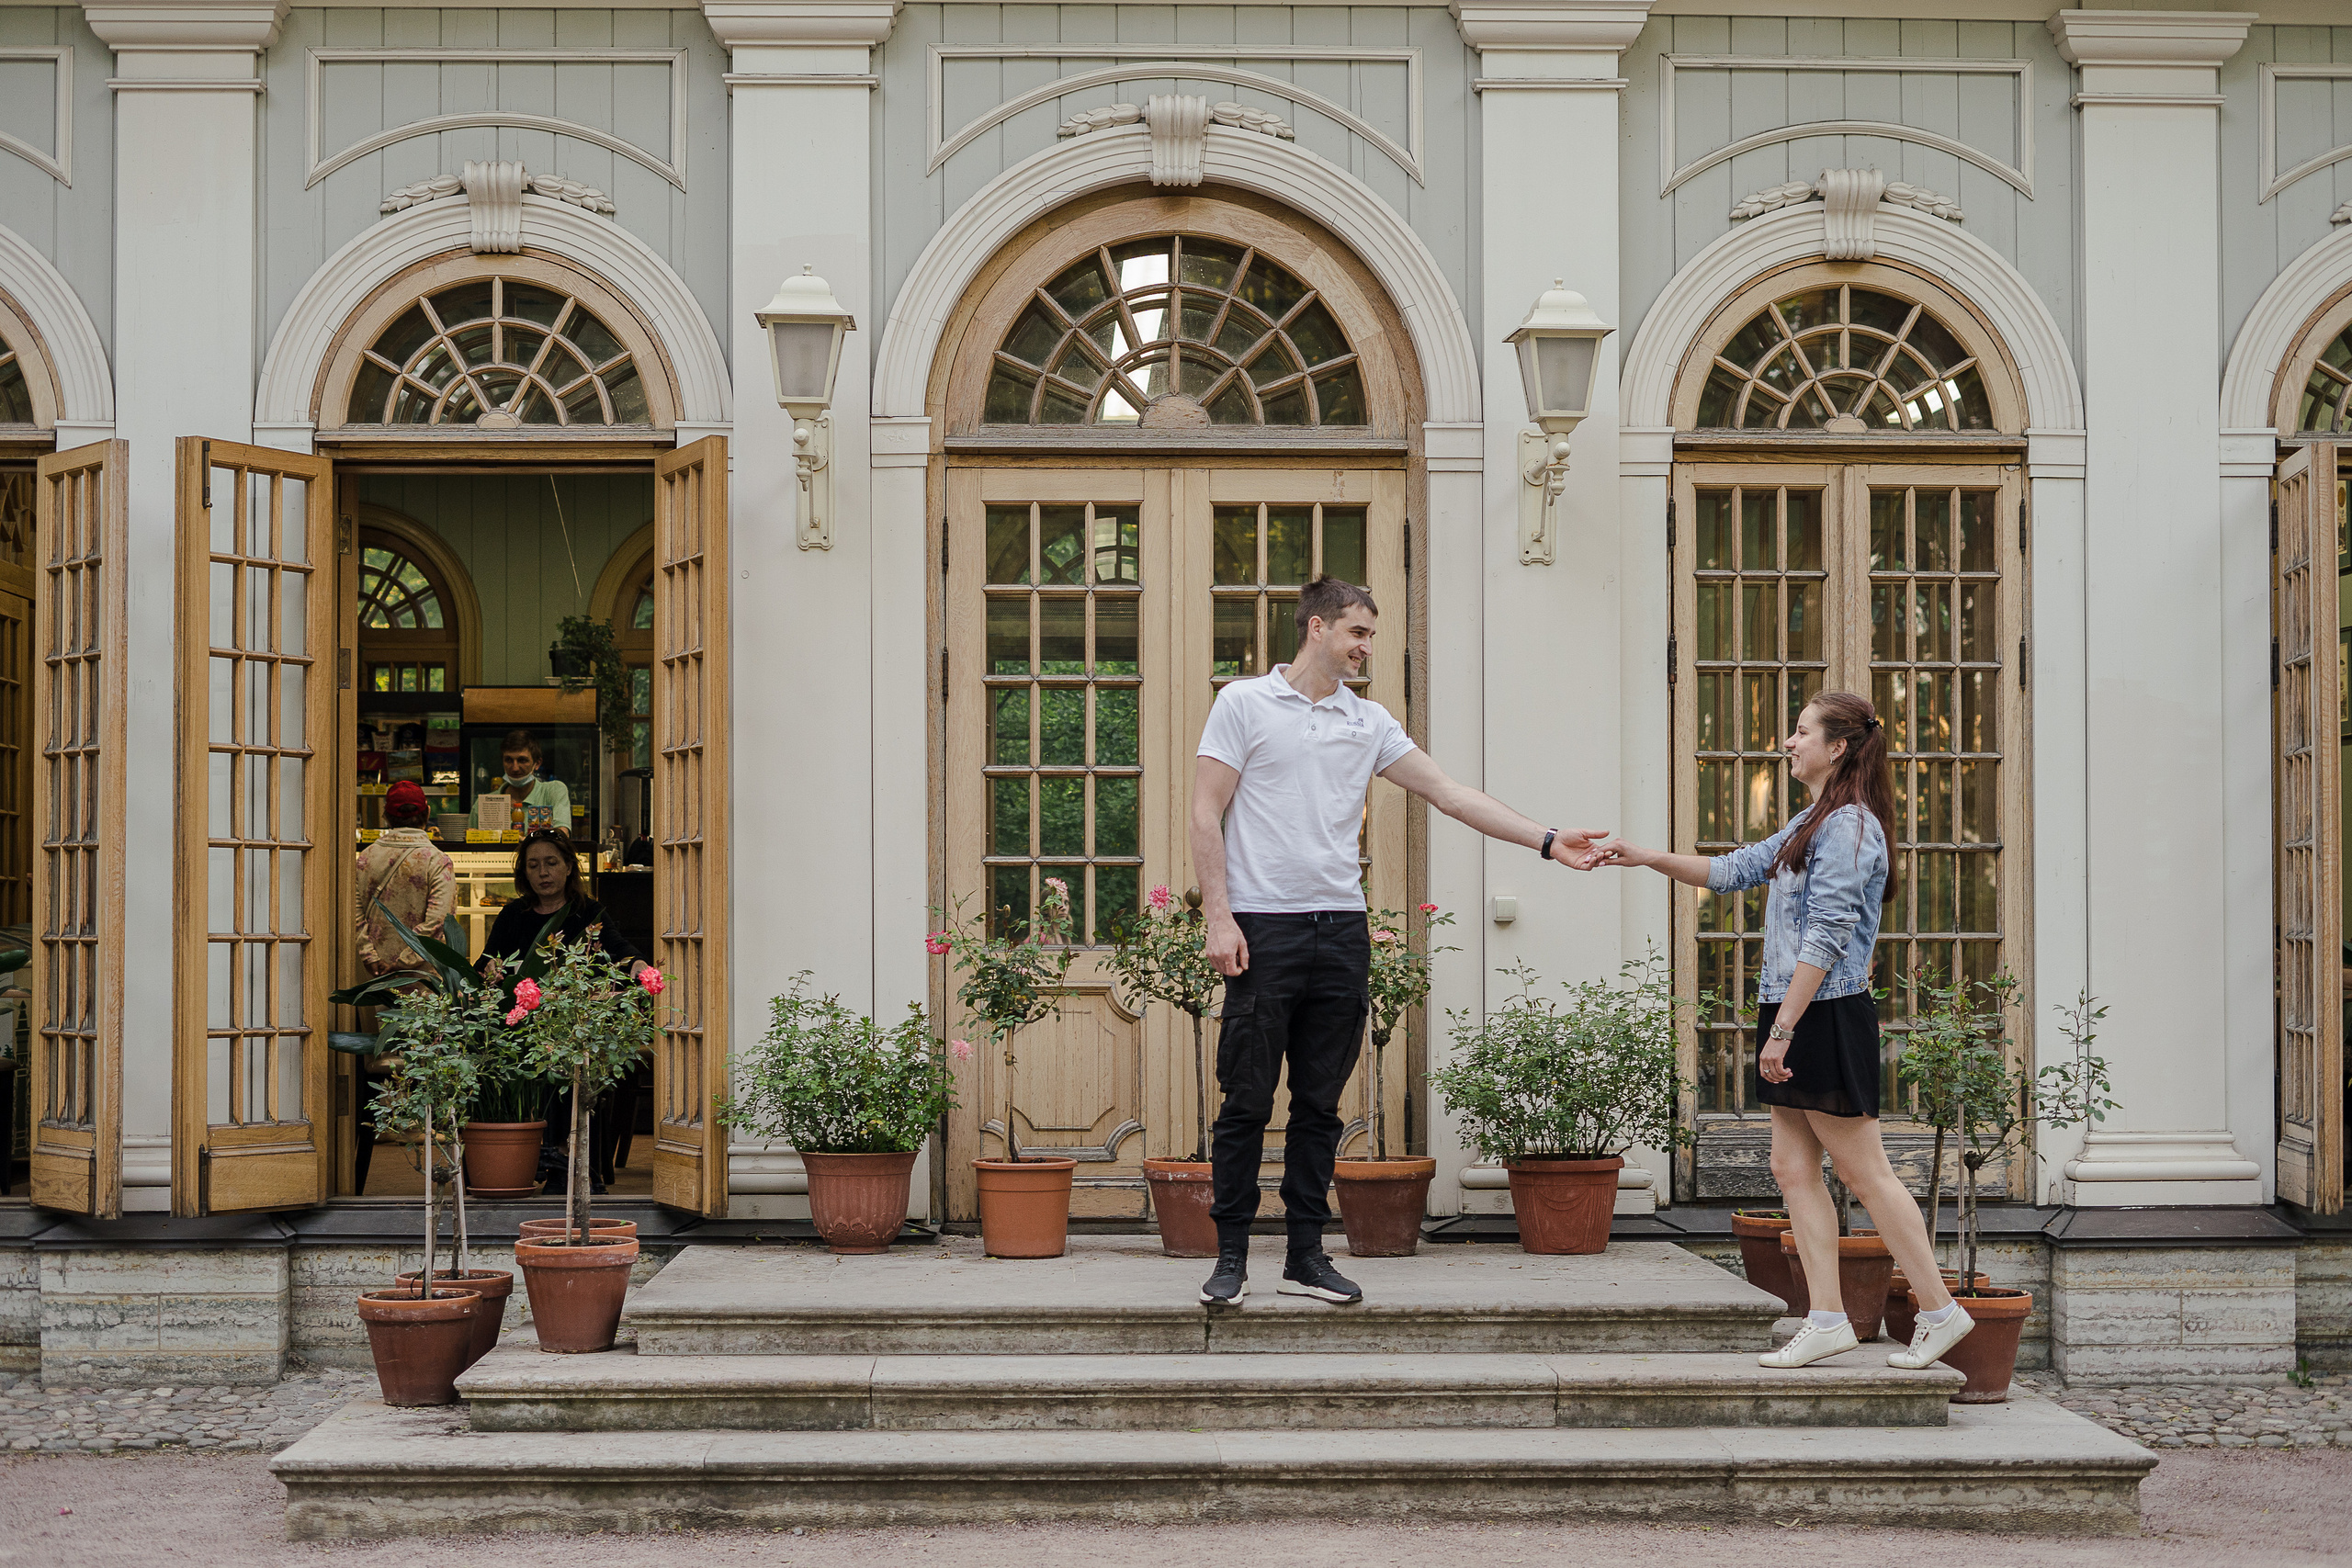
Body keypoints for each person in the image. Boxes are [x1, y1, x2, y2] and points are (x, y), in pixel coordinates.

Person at [1191, 575, 1609, 1309]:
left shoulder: (1369, 721)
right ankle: (1229, 1257)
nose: (1365, 647)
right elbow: (1204, 812)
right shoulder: (1244, 703)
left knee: (1320, 1105)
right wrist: (1218, 917)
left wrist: (1546, 840)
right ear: (1316, 628)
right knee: (1247, 1101)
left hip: (1341, 930)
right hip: (1263, 926)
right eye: (1357, 632)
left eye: (1370, 635)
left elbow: (1450, 794)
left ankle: (1304, 1254)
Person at [1593, 690, 1974, 1372]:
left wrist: (1784, 1030)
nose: (1787, 743)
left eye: (1801, 732)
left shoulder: (1851, 828)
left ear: (1839, 747)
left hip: (1822, 1012)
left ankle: (1940, 1309)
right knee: (1792, 1168)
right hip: (1793, 1009)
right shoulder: (1813, 818)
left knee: (1867, 1174)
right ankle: (1826, 1317)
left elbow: (1827, 937)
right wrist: (1643, 855)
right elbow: (1734, 869)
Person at [481, 829, 650, 1196]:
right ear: (523, 874)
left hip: (570, 1026)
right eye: (533, 865)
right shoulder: (513, 915)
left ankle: (560, 1156)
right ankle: (544, 1156)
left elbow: (620, 952)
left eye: (551, 863)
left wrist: (639, 967)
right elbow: (486, 963)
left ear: (569, 867)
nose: (543, 872)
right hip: (520, 1025)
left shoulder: (588, 912)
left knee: (566, 1055)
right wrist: (492, 973)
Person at [351, 780, 456, 1191]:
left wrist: (373, 957)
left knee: (383, 1048)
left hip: (374, 975)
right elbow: (436, 920)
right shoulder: (436, 858)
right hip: (424, 975)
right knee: (425, 1048)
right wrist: (411, 962)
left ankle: (388, 1121)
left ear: (386, 816)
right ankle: (425, 1123)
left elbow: (355, 912)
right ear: (426, 815)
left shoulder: (365, 858)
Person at [473, 729, 573, 834]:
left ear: (537, 763)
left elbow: (562, 836)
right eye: (509, 760)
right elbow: (470, 847)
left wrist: (523, 841)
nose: (515, 768)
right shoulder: (483, 805)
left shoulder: (553, 791)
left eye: (522, 760)